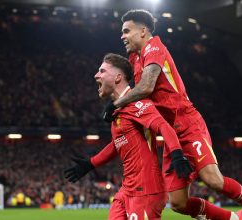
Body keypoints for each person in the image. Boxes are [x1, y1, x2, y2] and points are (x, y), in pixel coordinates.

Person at [103, 9, 242, 220]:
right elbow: (127, 84)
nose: (122, 36)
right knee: (178, 203)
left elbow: (147, 87)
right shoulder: (134, 58)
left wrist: (116, 105)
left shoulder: (154, 47)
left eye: (126, 31)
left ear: (143, 31)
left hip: (187, 123)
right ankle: (234, 218)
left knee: (213, 180)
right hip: (170, 135)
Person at [65, 53, 195, 219]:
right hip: (127, 189)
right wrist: (90, 163)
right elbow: (117, 143)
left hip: (146, 190)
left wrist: (177, 155)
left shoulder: (137, 103)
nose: (96, 75)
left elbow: (163, 126)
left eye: (102, 71)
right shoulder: (117, 110)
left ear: (118, 77)